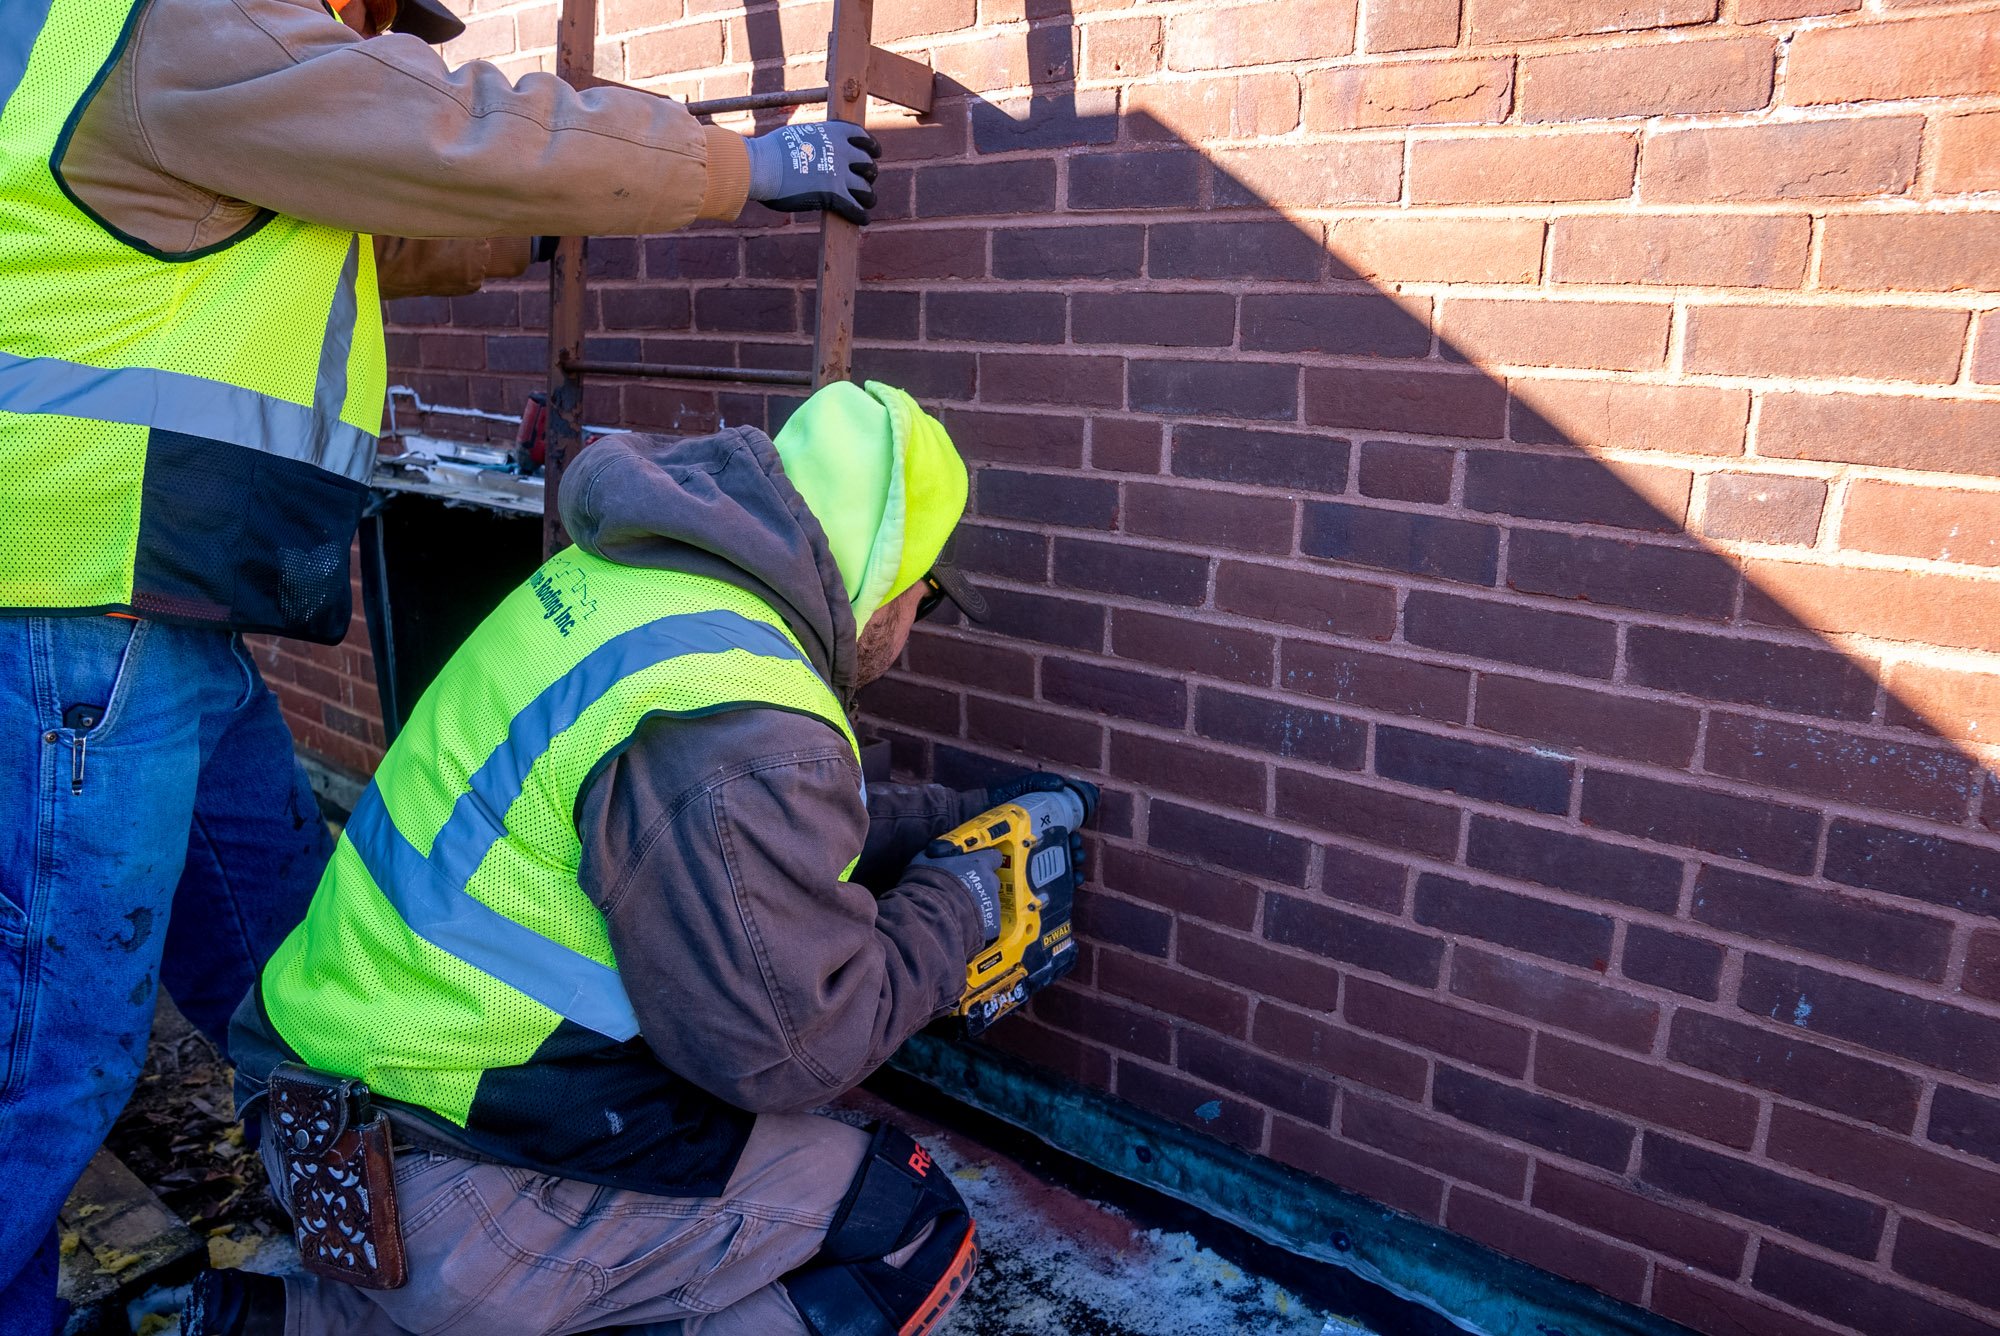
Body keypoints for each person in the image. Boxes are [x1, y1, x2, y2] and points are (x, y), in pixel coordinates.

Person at [0, 0, 879, 1325]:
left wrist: (536, 225)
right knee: (57, 1054)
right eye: (372, 16)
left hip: (146, 614)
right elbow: (449, 135)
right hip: (87, 611)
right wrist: (734, 168)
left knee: (300, 970)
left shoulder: (160, 73)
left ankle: (353, 1240)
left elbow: (375, 223)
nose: (366, 33)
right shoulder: (186, 20)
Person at [200, 380, 1084, 1336]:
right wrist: (958, 906)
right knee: (900, 1219)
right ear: (887, 584)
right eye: (927, 598)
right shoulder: (743, 723)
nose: (914, 629)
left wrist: (952, 819)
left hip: (316, 1119)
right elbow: (797, 1048)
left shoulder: (639, 596)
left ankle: (295, 1322)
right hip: (442, 1178)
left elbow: (737, 834)